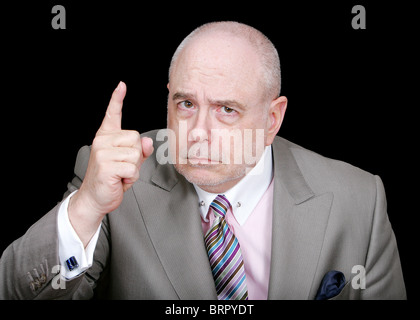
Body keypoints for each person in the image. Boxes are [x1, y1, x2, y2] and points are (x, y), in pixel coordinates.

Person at [0, 21, 406, 299]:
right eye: (186, 103)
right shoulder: (116, 176)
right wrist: (87, 206)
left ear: (272, 119)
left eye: (227, 109)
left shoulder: (358, 199)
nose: (197, 132)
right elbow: (16, 290)